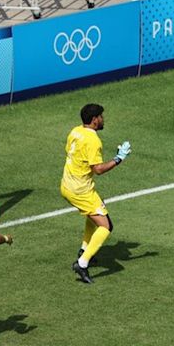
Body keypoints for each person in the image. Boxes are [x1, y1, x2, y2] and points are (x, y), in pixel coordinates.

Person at [61, 104, 131, 284]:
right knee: (106, 226)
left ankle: (85, 250)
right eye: (101, 116)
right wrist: (118, 159)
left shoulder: (75, 131)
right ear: (94, 120)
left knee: (96, 212)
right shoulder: (93, 140)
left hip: (68, 184)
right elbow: (98, 169)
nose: (103, 119)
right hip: (80, 190)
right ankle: (82, 263)